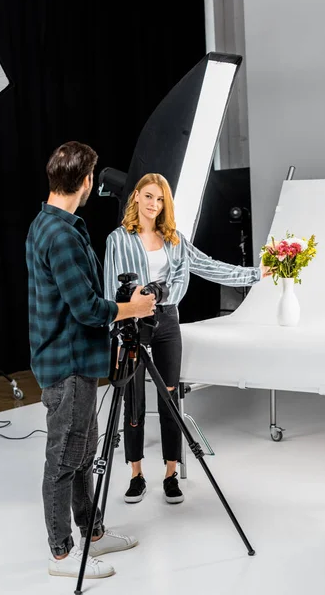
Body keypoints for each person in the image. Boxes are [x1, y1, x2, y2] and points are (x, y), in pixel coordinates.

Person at [25, 142, 156, 579]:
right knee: (64, 459)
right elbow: (85, 307)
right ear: (85, 182)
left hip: (75, 357)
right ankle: (62, 554)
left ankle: (93, 532)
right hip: (68, 363)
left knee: (82, 455)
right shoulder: (60, 235)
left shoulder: (53, 223)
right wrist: (132, 310)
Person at [104, 172, 271, 505]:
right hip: (131, 321)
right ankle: (136, 474)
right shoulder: (118, 239)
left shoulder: (175, 239)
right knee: (134, 401)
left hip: (167, 321)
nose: (154, 204)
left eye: (160, 198)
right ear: (136, 197)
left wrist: (256, 273)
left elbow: (209, 267)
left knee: (170, 398)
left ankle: (170, 474)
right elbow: (111, 287)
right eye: (148, 196)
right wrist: (120, 324)